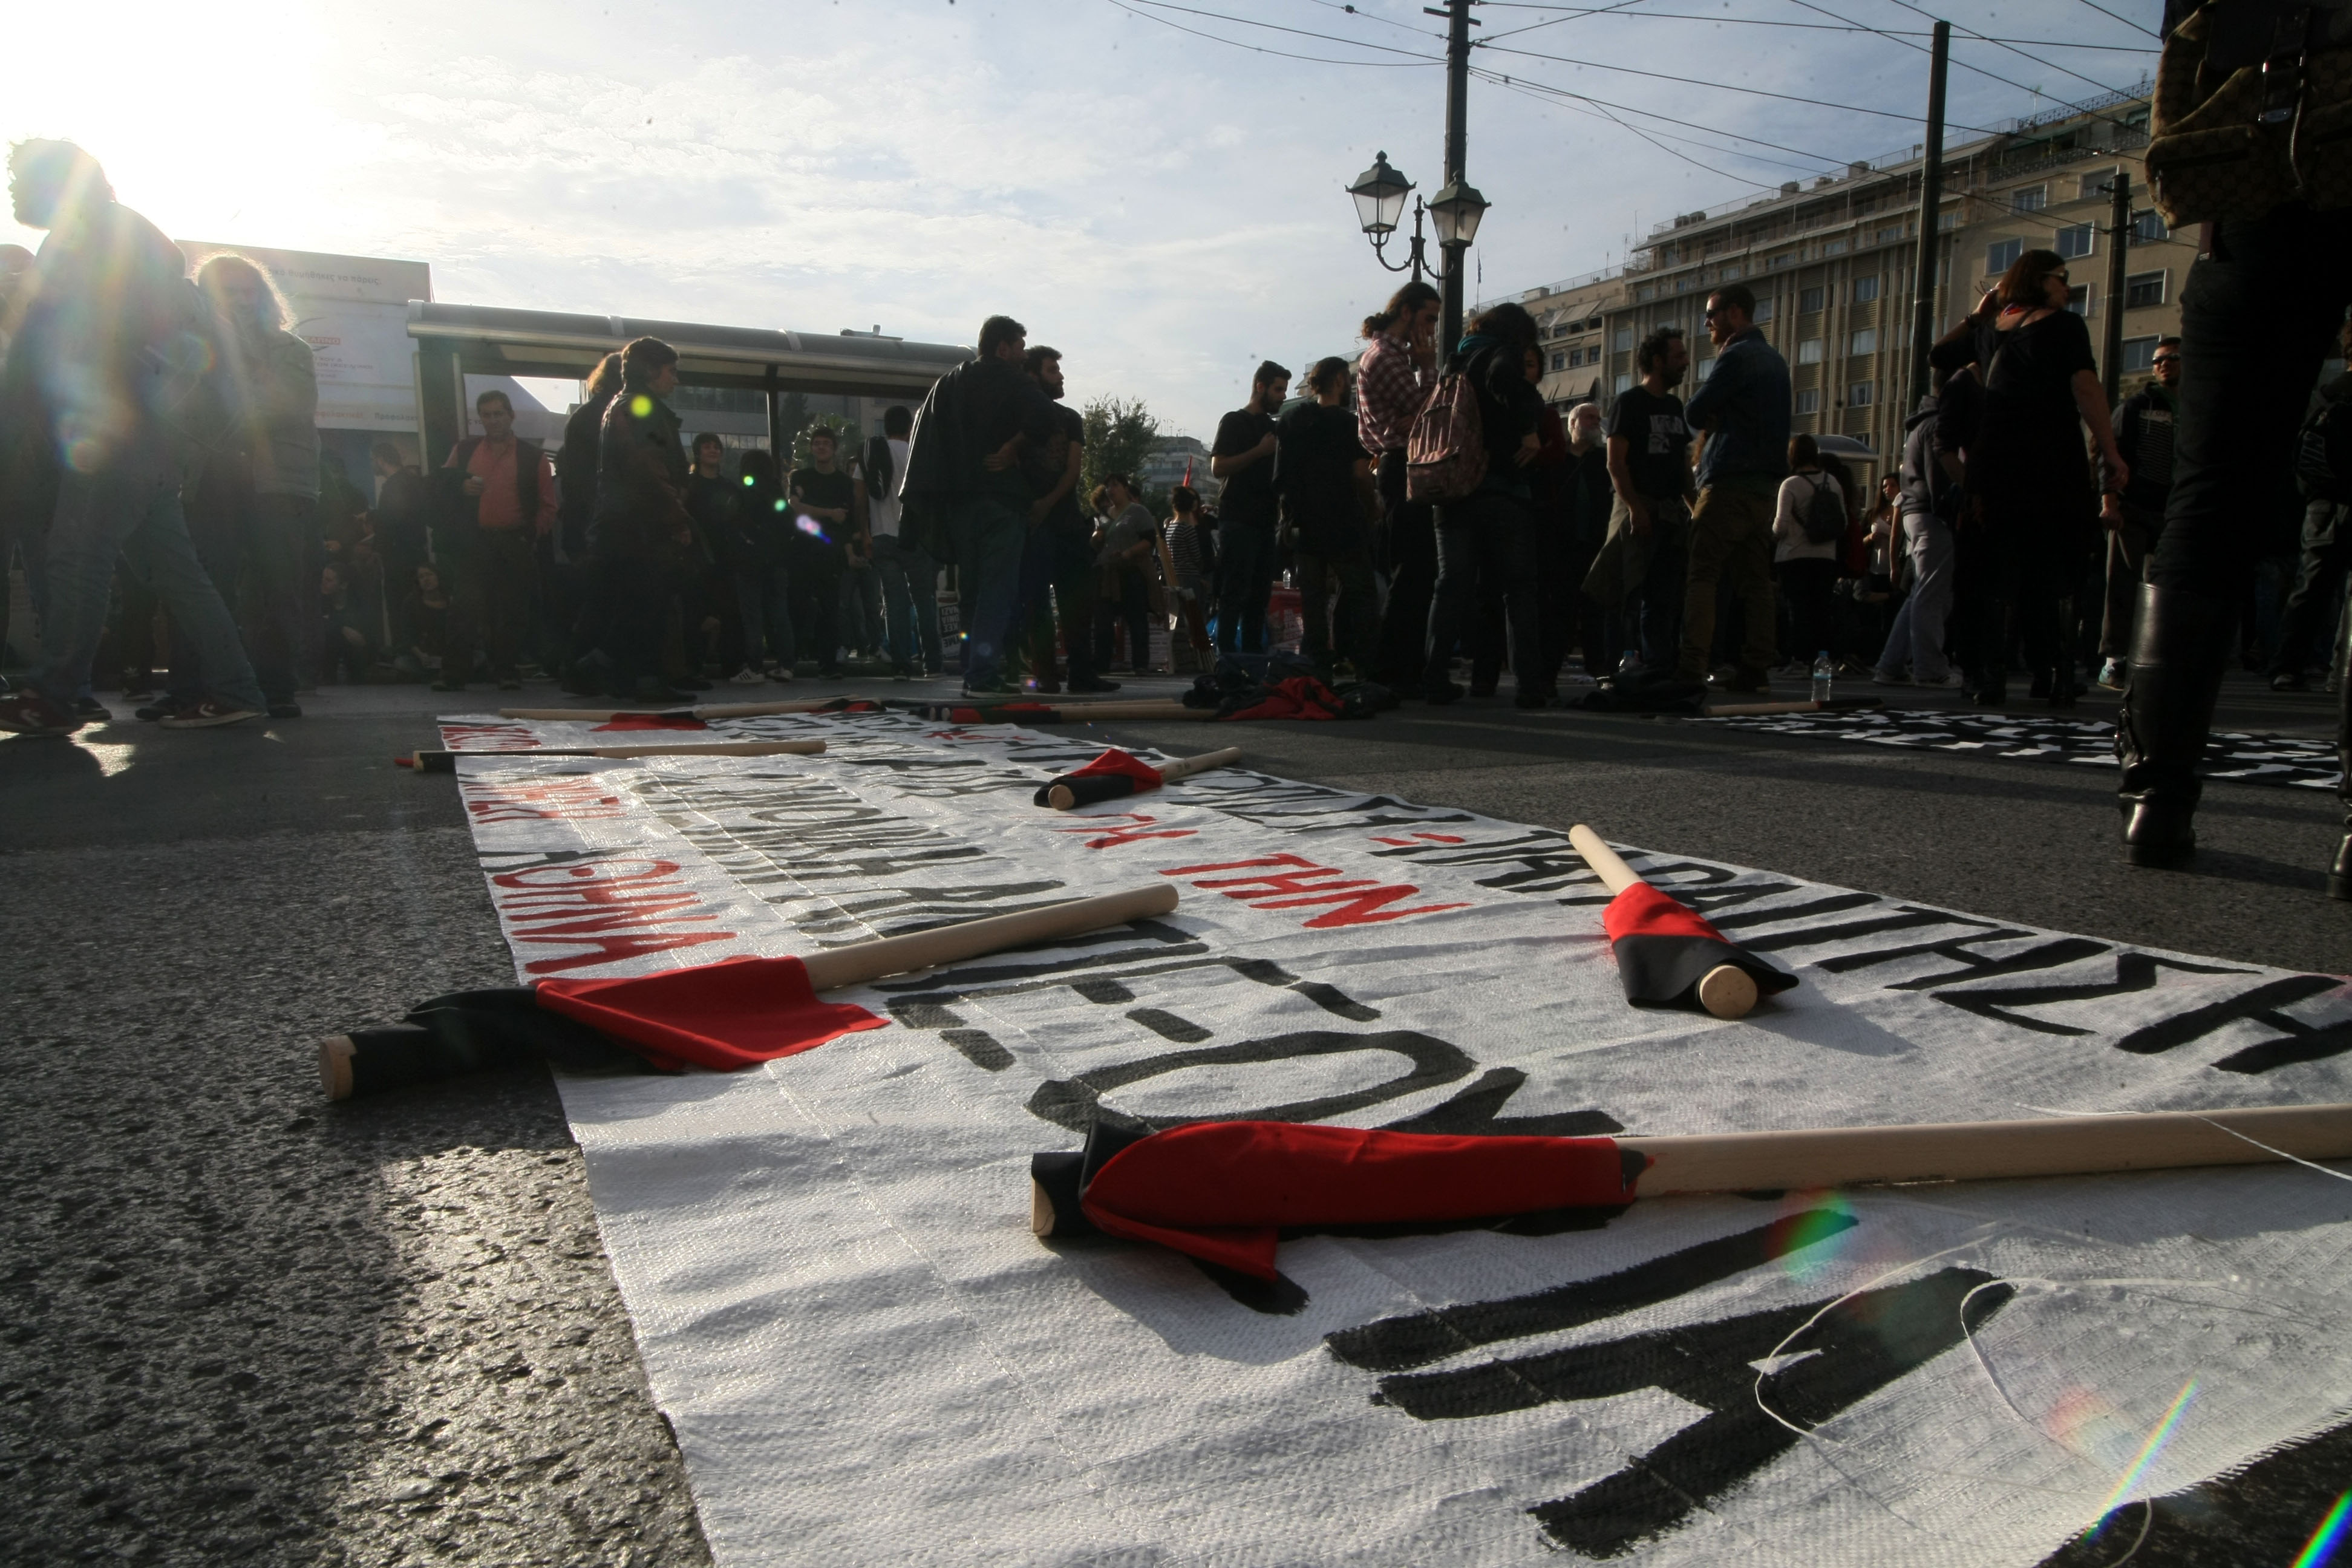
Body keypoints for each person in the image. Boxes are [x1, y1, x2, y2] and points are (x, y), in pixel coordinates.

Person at [0, 140, 266, 733]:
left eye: (21, 178)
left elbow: (73, 344)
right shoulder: (118, 235)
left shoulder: (92, 239)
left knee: (77, 559)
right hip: (148, 441)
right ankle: (235, 688)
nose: (13, 190)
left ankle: (55, 695)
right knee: (176, 571)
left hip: (116, 437)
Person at [1930, 250, 2127, 709]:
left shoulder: (1989, 332)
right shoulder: (2065, 326)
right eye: (2062, 278)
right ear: (2038, 280)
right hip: (2050, 457)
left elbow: (1939, 354)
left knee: (1994, 568)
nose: (2067, 288)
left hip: (1993, 461)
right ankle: (2055, 674)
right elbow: (2085, 387)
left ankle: (1990, 676)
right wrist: (2110, 451)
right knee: (2055, 566)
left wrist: (1979, 313)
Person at [174, 255, 321, 720]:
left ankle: (276, 687)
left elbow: (287, 404)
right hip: (213, 480)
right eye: (227, 294)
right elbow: (178, 411)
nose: (239, 302)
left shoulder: (290, 349)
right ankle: (191, 688)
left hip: (275, 482)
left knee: (276, 588)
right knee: (204, 583)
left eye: (247, 292)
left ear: (263, 297)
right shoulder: (196, 352)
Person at [898, 313, 1061, 694]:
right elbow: (1044, 416)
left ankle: (972, 668)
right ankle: (983, 673)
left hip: (958, 504)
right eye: (1020, 347)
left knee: (970, 589)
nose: (1024, 355)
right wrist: (1012, 447)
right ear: (1003, 348)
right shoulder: (1012, 379)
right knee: (997, 588)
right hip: (1000, 500)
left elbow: (926, 437)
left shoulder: (949, 382)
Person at [1422, 303, 1549, 707]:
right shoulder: (1503, 353)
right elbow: (1503, 379)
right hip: (1501, 488)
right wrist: (1529, 431)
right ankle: (1530, 686)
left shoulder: (1454, 362)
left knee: (1451, 586)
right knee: (1519, 590)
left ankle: (1434, 677)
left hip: (1454, 489)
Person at [1678, 284, 1791, 693]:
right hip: (1763, 487)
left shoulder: (1737, 355)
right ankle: (1756, 665)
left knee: (1703, 574)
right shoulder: (1776, 360)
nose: (1707, 322)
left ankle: (1691, 666)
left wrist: (1716, 416)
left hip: (1727, 480)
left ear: (1737, 313)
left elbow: (1694, 410)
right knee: (1755, 580)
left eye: (1712, 313)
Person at [589, 336, 695, 701]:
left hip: (621, 525)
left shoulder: (619, 405)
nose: (675, 380)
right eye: (671, 371)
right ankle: (637, 678)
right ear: (651, 371)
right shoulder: (642, 408)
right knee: (651, 605)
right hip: (642, 527)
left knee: (634, 605)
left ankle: (615, 675)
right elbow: (650, 471)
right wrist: (677, 520)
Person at [434, 387, 556, 691]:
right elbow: (441, 487)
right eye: (487, 415)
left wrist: (531, 536)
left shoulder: (533, 456)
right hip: (476, 540)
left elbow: (548, 505)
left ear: (510, 416)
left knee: (511, 611)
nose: (493, 420)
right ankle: (455, 673)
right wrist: (461, 488)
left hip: (513, 541)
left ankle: (505, 670)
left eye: (498, 414)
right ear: (481, 419)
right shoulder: (465, 451)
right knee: (465, 608)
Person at [1597, 327, 1696, 678]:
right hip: (1638, 508)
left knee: (1663, 597)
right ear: (1657, 361)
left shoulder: (1675, 405)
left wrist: (1693, 506)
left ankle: (1658, 669)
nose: (1686, 363)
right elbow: (1615, 462)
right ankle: (1613, 669)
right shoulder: (1630, 402)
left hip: (1669, 514)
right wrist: (1636, 507)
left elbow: (1683, 463)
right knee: (1623, 592)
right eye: (1679, 356)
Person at [1358, 280, 1442, 689]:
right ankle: (1396, 668)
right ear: (1406, 312)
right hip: (1400, 463)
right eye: (1428, 319)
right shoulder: (1388, 358)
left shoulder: (1386, 355)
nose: (1431, 330)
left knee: (1414, 569)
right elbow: (1428, 410)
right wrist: (1428, 365)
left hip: (1397, 462)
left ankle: (1401, 667)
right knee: (1413, 569)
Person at [1275, 356, 1376, 684]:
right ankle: (1362, 664)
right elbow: (1361, 475)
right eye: (1347, 380)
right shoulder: (1349, 424)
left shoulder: (1290, 421)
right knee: (1360, 590)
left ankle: (1316, 666)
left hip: (1304, 522)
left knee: (1313, 597)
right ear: (1337, 381)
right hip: (1343, 520)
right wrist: (1372, 506)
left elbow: (1280, 479)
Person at [1018, 348, 1111, 693]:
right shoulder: (1017, 416)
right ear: (1033, 375)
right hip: (1037, 521)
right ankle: (1047, 673)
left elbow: (1073, 471)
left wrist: (1046, 504)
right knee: (1038, 601)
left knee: (1074, 602)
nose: (1060, 376)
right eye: (1052, 370)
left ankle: (1077, 672)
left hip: (1065, 521)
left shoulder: (1069, 417)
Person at [2268, 320, 2350, 693]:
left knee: (2311, 587)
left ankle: (2287, 666)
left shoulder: (2326, 394)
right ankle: (2340, 670)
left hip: (2321, 504)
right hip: (2341, 501)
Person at [2099, 338, 2181, 688]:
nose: (2163, 364)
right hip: (2134, 507)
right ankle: (2115, 658)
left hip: (2175, 511)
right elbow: (2111, 452)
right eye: (2157, 360)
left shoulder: (2196, 407)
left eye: (2172, 358)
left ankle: (2161, 656)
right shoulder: (2136, 406)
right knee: (2122, 583)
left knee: (2170, 587)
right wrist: (2110, 502)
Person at [1873, 382, 1964, 689]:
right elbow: (1939, 475)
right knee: (1931, 594)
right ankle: (1929, 666)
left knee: (1920, 594)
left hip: (1916, 512)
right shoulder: (1939, 425)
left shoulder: (1919, 426)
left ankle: (1892, 663)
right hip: (1932, 514)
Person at [1210, 360, 1290, 658]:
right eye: (1278, 389)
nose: (1282, 396)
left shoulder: (1274, 428)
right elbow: (1218, 467)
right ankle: (1227, 658)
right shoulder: (1234, 421)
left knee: (1260, 595)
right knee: (1235, 593)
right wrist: (1259, 451)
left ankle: (1254, 659)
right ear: (1261, 387)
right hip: (1238, 519)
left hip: (1265, 521)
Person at [554, 351, 621, 690]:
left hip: (587, 522)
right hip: (607, 523)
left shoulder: (583, 417)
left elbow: (574, 482)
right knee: (609, 599)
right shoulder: (614, 415)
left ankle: (579, 669)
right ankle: (583, 669)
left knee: (599, 599)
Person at [866, 405, 943, 680]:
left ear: (884, 427)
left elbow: (858, 494)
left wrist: (866, 532)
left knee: (895, 603)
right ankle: (932, 663)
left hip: (882, 537)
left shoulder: (873, 453)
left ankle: (900, 664)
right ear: (910, 426)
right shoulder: (916, 453)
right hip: (915, 537)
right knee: (924, 601)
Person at [788, 425, 860, 678]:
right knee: (797, 605)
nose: (821, 447)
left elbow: (846, 519)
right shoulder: (800, 477)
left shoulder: (843, 482)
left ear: (834, 449)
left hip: (830, 553)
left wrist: (810, 506)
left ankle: (827, 663)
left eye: (826, 444)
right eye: (817, 443)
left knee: (830, 609)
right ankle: (791, 660)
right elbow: (796, 507)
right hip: (803, 550)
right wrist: (829, 513)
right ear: (811, 448)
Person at [685, 433, 756, 682]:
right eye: (707, 447)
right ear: (698, 452)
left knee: (730, 612)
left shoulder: (728, 487)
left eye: (717, 447)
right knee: (695, 611)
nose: (713, 451)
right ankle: (692, 665)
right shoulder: (688, 486)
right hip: (694, 558)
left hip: (725, 557)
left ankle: (732, 664)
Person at [1771, 434, 1844, 666]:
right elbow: (1842, 521)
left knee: (1798, 608)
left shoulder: (1790, 484)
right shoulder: (1832, 482)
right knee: (1821, 608)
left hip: (1794, 555)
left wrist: (1770, 534)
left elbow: (1781, 526)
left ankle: (1800, 658)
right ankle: (1823, 658)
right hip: (1826, 555)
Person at [368, 441, 431, 675]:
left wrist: (379, 546)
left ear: (380, 459)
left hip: (399, 556)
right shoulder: (410, 482)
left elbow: (392, 521)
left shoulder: (395, 486)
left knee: (398, 603)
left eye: (373, 460)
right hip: (411, 552)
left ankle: (403, 652)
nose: (373, 464)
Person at [1091, 475, 1160, 673]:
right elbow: (1096, 545)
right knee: (1103, 620)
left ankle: (1140, 663)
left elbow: (1149, 540)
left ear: (1124, 488)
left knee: (1136, 618)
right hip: (1107, 572)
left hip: (1131, 571)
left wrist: (1128, 553)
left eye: (1115, 485)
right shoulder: (1103, 515)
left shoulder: (1138, 512)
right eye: (1108, 487)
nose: (1111, 490)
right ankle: (1102, 662)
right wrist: (1096, 538)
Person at [1165, 485, 1215, 671]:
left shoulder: (1171, 527)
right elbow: (1197, 558)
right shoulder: (1188, 529)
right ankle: (1200, 660)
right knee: (1197, 620)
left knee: (1181, 623)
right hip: (1192, 579)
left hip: (1176, 577)